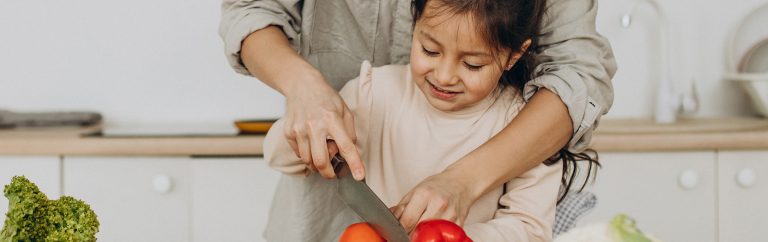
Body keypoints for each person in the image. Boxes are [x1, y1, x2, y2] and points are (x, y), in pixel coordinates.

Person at [219, 0, 615, 240]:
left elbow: (528, 229)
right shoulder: (374, 90)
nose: (444, 76)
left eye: (473, 63)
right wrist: (303, 110)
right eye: (429, 49)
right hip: (315, 225)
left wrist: (453, 236)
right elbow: (278, 155)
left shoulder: (523, 120)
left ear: (513, 55)